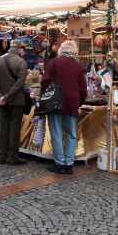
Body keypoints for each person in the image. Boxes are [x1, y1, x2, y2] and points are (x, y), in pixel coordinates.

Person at [41, 40, 87, 174]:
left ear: (61, 50)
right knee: (71, 134)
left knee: (56, 133)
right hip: (72, 102)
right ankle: (69, 164)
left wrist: (45, 97)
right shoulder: (77, 66)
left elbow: (45, 81)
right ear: (74, 52)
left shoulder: (54, 63)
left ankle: (60, 164)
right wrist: (79, 102)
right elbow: (83, 89)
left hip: (55, 101)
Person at [0, 39, 28, 165]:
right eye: (23, 48)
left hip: (2, 101)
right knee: (14, 128)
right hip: (16, 100)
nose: (23, 51)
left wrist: (0, 96)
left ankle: (2, 155)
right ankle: (12, 156)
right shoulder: (21, 62)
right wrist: (6, 97)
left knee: (3, 126)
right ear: (18, 48)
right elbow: (19, 84)